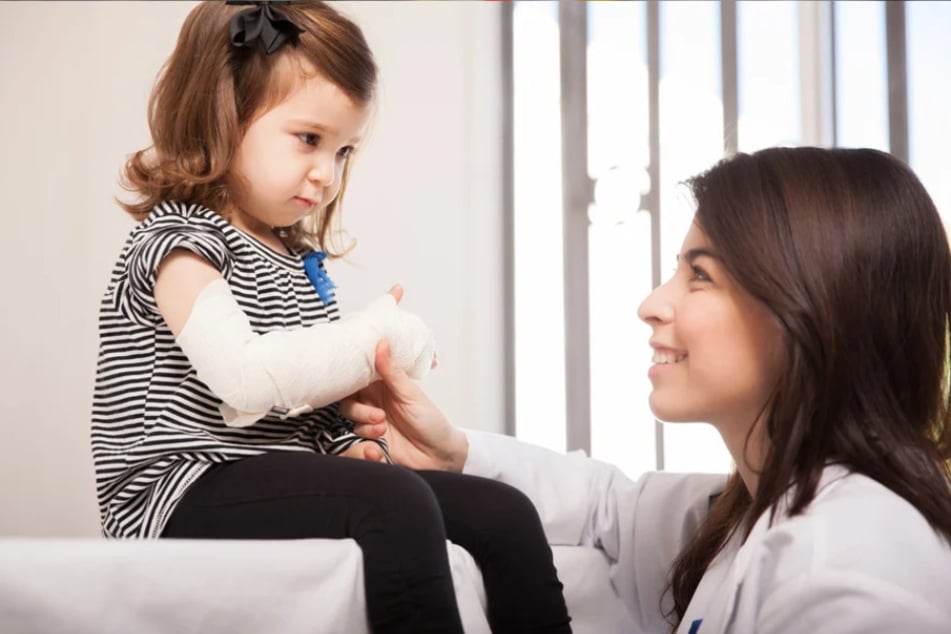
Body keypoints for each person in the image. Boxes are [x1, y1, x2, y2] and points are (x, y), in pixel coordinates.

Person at [89, 2, 571, 633]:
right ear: (223, 113)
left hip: (261, 475)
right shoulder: (180, 244)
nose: (327, 173)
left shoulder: (296, 260)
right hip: (180, 488)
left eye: (343, 151)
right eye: (309, 140)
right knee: (394, 504)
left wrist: (350, 444)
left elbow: (309, 407)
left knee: (503, 511)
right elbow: (247, 380)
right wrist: (377, 334)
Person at [346, 146, 951, 633]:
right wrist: (453, 452)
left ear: (808, 310)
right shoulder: (754, 510)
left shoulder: (851, 570)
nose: (652, 304)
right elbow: (608, 509)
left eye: (700, 276)